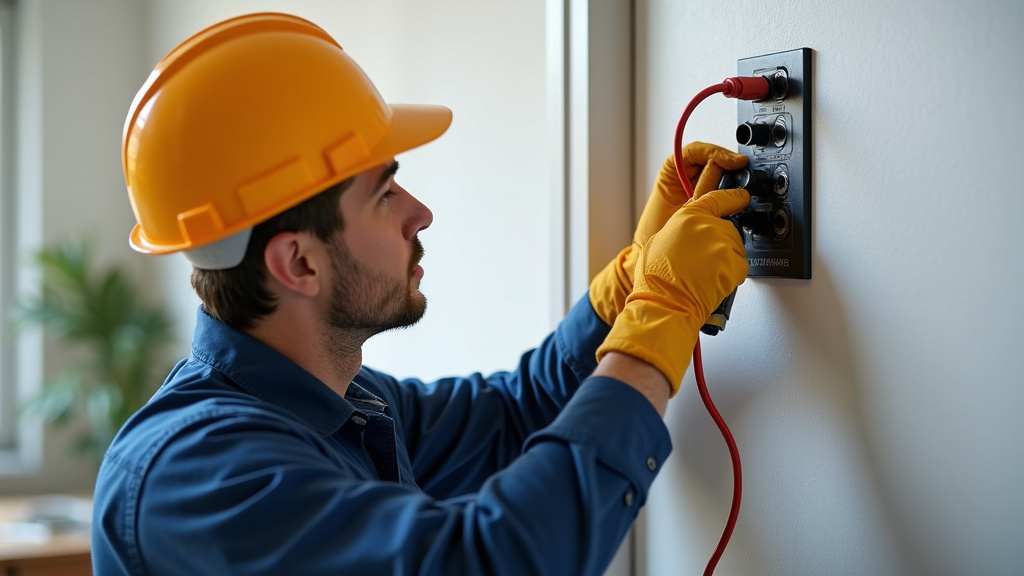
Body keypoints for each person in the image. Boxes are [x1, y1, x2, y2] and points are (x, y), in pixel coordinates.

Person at [91, 12, 751, 576]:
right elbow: (486, 561)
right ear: (298, 262)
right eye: (384, 194)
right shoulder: (200, 479)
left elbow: (514, 416)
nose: (420, 213)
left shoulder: (342, 402)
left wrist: (630, 283)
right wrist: (658, 320)